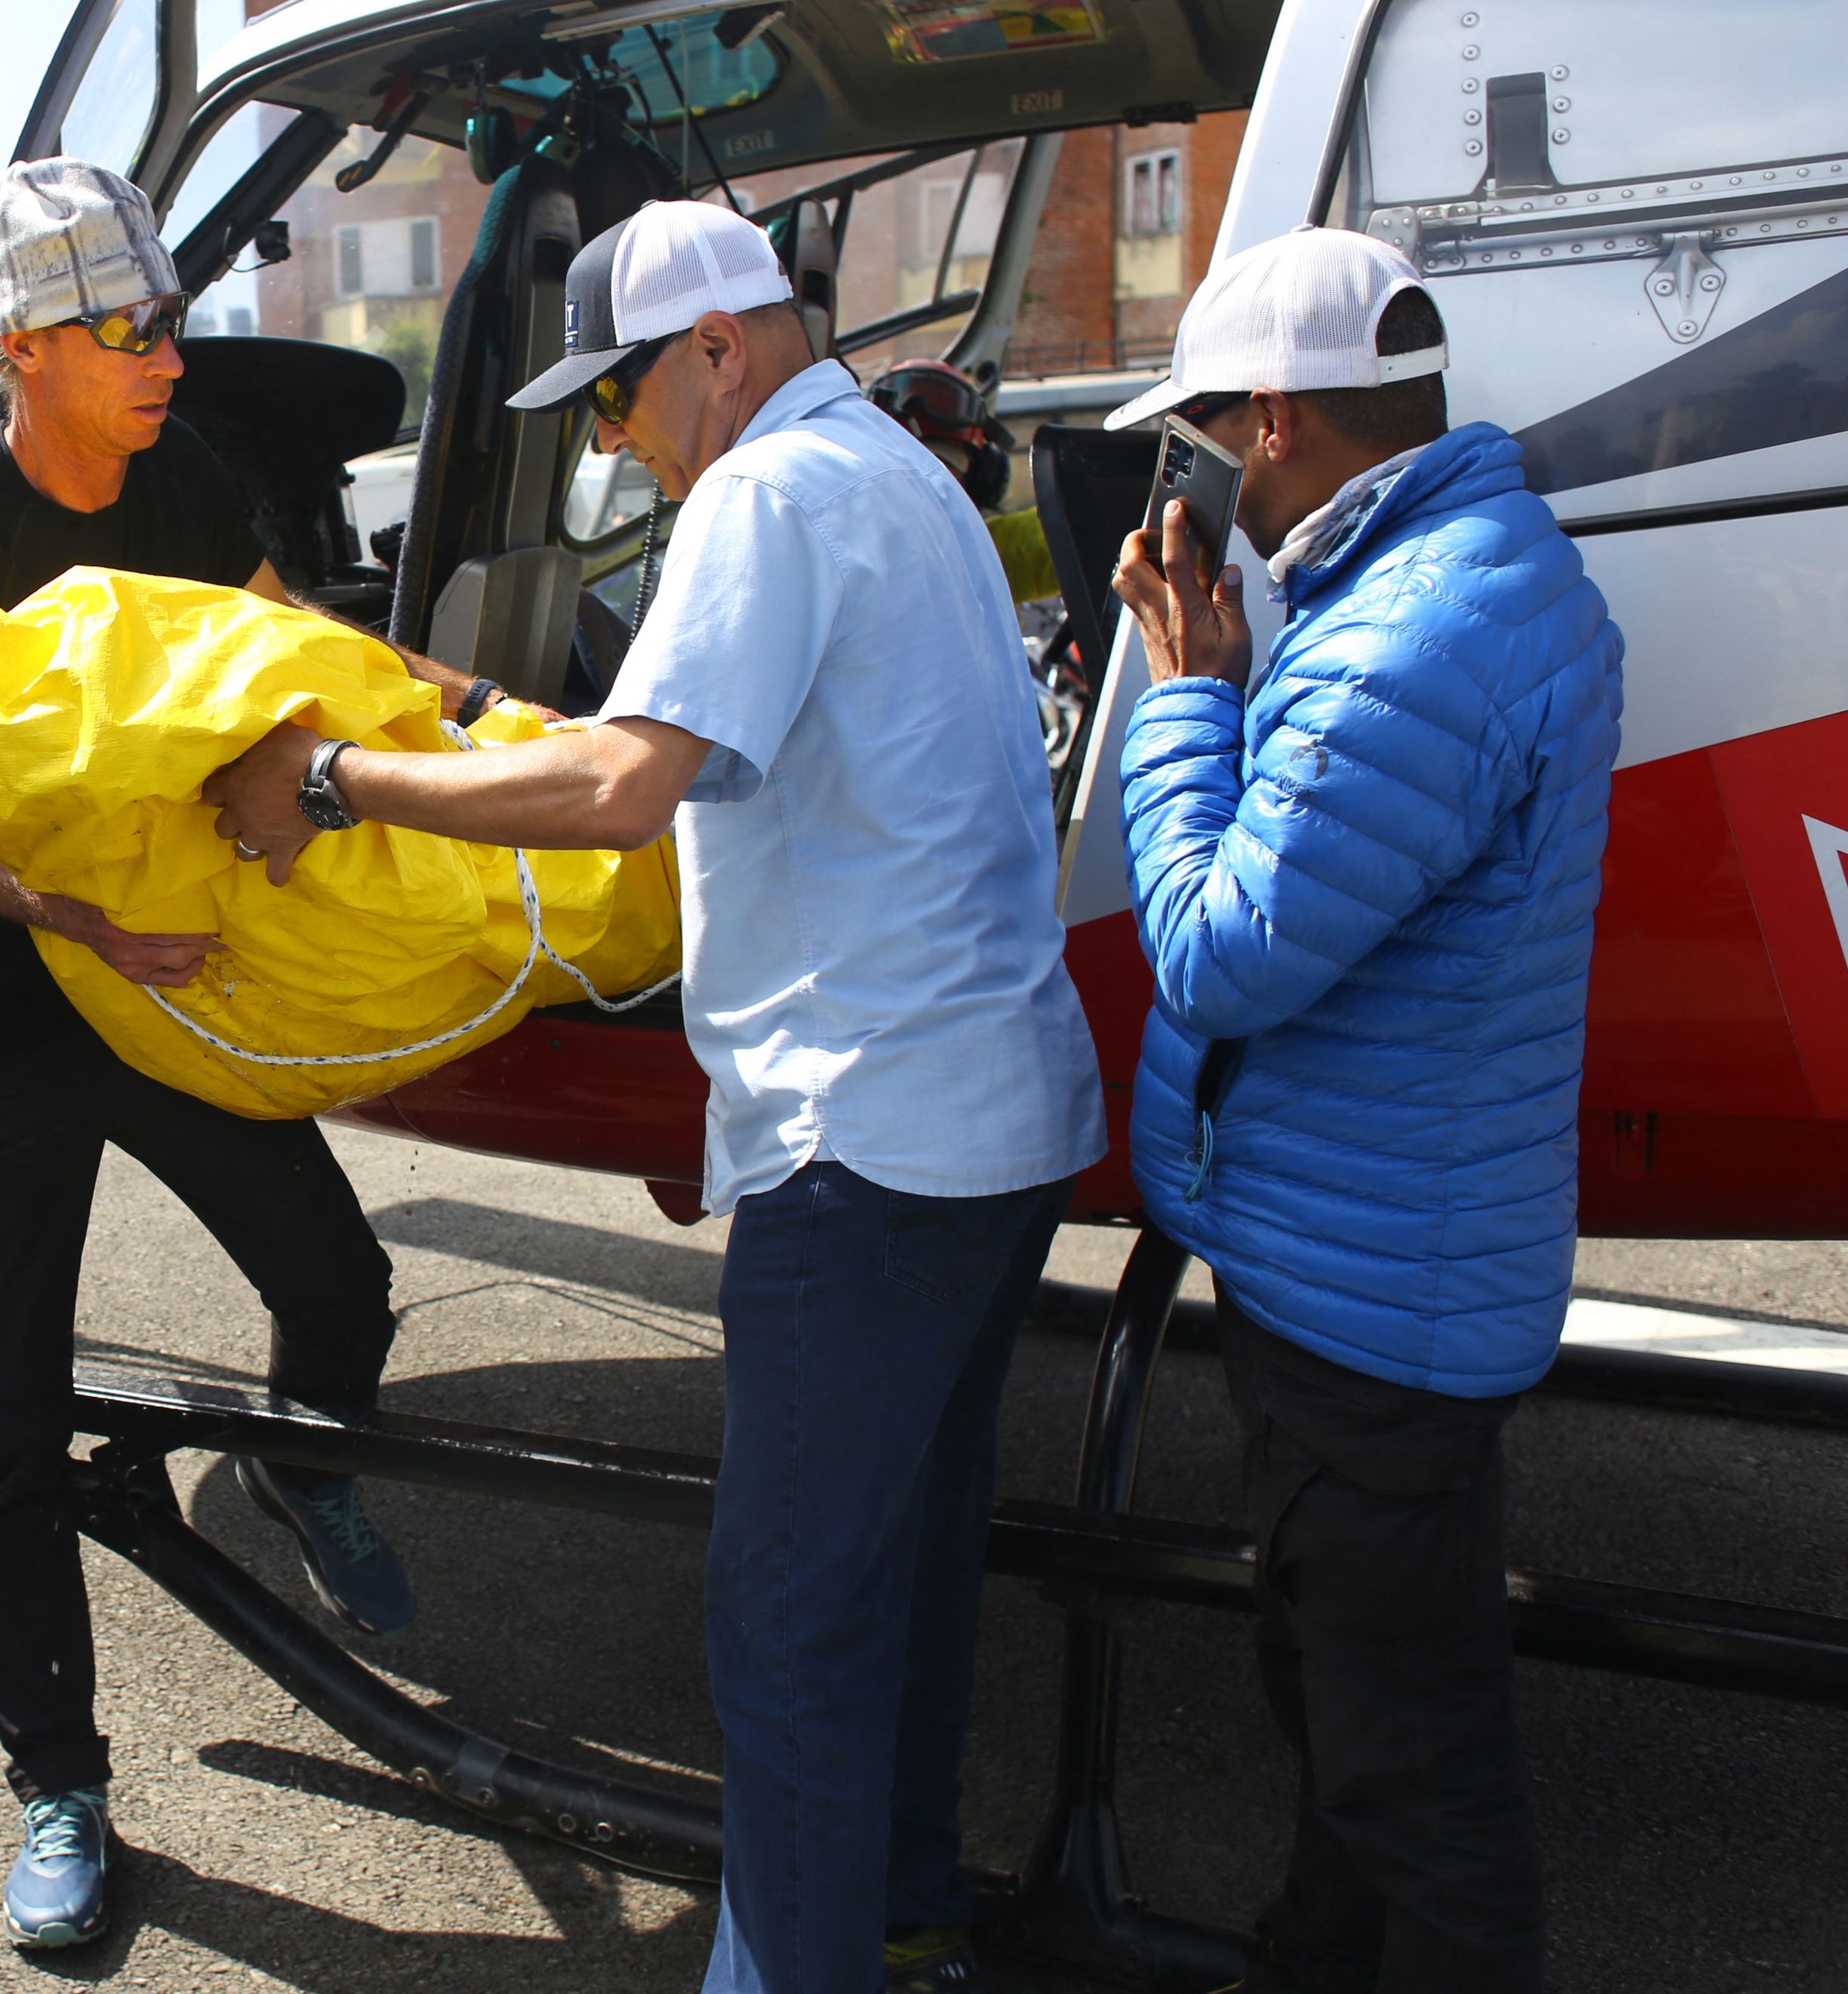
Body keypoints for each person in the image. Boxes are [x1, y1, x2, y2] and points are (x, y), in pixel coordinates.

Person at [207, 197, 1107, 1994]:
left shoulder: (761, 494)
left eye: (615, 399)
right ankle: (897, 1895)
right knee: (905, 1562)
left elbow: (621, 785)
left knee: (783, 1614)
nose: (608, 443)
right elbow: (667, 749)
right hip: (991, 1119)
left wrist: (330, 776)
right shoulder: (896, 472)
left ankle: (785, 1967)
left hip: (873, 1148)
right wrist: (417, 686)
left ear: (717, 349)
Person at [0, 157, 483, 1951]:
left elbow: (298, 640)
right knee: (1, 1421)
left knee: (337, 1279)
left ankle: (303, 1456)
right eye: (122, 332)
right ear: (18, 346)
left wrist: (458, 705)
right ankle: (58, 1782)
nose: (159, 359)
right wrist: (76, 922)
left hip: (160, 990)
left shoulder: (177, 473)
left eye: (168, 324)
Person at [1102, 226, 1622, 1993]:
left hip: (1369, 1292)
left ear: (1267, 424)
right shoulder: (1441, 575)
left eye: (1196, 446)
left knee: (1412, 1750)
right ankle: (1315, 1955)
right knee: (1343, 1685)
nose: (1194, 490)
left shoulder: (1416, 632)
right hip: (1374, 1246)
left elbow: (1221, 954)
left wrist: (1181, 695)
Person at [865, 360, 1057, 605]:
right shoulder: (831, 563)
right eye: (902, 477)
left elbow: (1084, 524)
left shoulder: (990, 555)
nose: (922, 496)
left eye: (942, 476)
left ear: (979, 483)